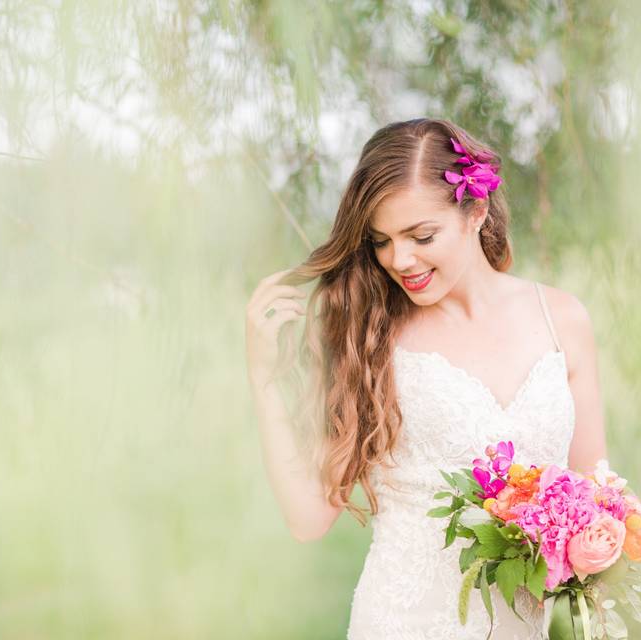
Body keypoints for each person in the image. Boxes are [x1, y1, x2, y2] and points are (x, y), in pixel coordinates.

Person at [244, 118, 608, 639]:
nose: (400, 259)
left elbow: (594, 495)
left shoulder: (562, 319)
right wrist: (262, 374)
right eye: (382, 241)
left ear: (476, 210)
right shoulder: (369, 337)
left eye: (421, 236)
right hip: (404, 622)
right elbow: (308, 518)